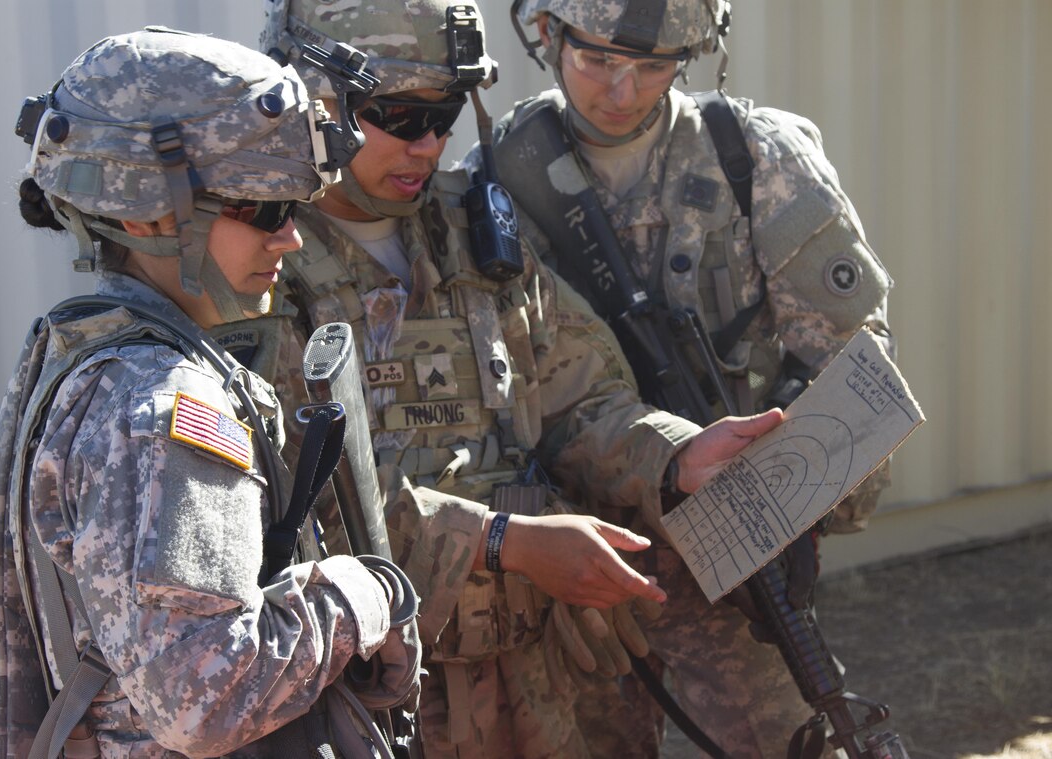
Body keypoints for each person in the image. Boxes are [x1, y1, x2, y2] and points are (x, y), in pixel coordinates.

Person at [241, 1, 786, 756]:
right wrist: (507, 542)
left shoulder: (473, 231)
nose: (428, 143)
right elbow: (291, 504)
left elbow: (578, 395)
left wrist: (673, 454)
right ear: (313, 100)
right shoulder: (258, 261)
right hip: (376, 698)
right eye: (396, 114)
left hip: (536, 686)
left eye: (444, 111)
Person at [0, 28, 420, 758]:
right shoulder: (165, 405)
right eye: (264, 210)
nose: (290, 240)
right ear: (148, 217)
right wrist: (365, 594)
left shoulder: (83, 354)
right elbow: (206, 695)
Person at [481, 1, 897, 756]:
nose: (621, 91)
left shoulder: (755, 156)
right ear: (548, 36)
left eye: (652, 67)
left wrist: (789, 482)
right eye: (597, 60)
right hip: (583, 560)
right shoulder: (495, 176)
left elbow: (851, 360)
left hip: (737, 537)